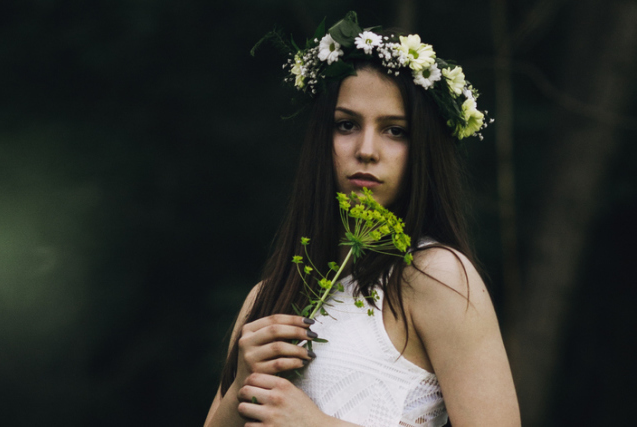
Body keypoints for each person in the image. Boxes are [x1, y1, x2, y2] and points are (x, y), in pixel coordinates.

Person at [204, 13, 520, 427]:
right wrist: (245, 379)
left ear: (422, 148)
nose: (367, 149)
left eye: (395, 131)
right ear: (322, 138)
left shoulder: (436, 277)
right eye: (347, 125)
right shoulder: (267, 296)